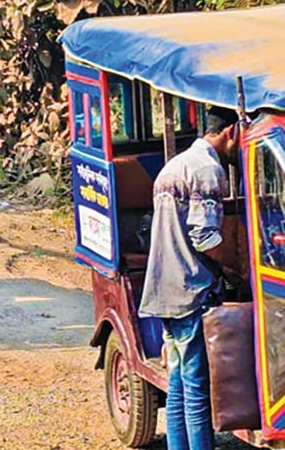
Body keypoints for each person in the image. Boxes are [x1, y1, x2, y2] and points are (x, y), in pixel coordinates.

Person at [139, 106, 240, 450]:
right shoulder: (208, 170)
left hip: (165, 288)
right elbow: (205, 238)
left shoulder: (175, 166)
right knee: (196, 389)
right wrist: (234, 267)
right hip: (191, 290)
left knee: (179, 385)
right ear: (231, 132)